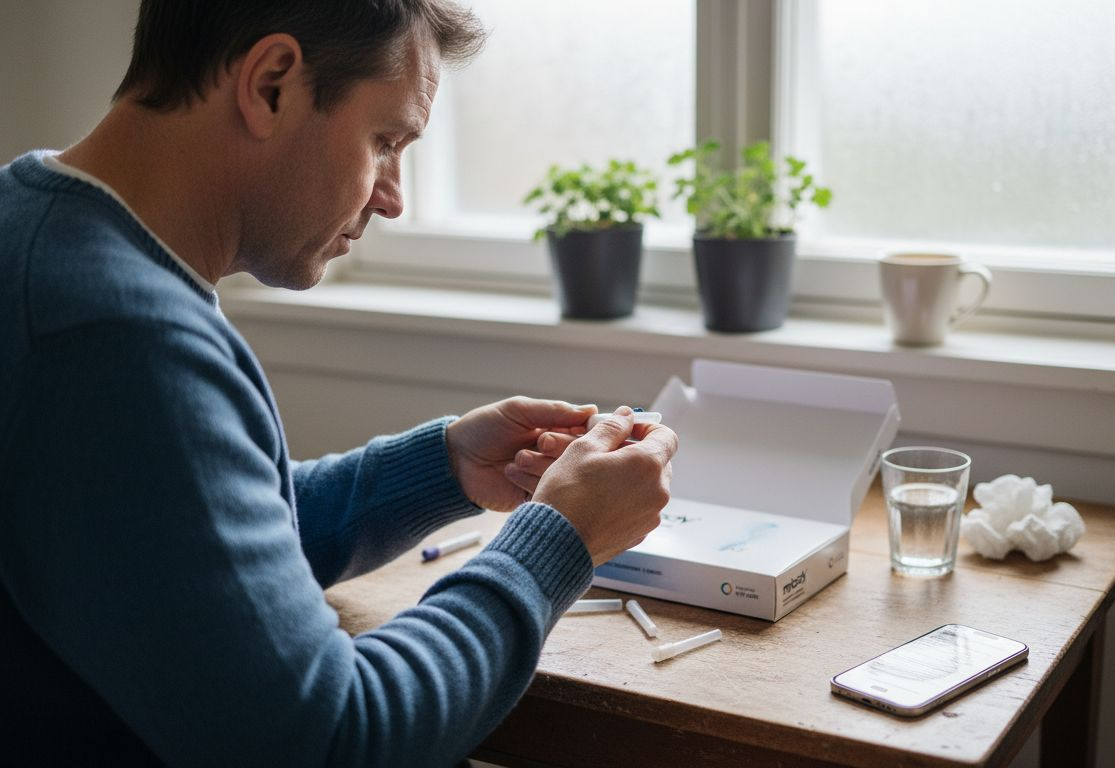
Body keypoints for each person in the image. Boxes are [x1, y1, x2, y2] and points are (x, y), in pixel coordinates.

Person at [0, 1, 678, 764]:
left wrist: (444, 465)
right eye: (385, 140)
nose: (393, 196)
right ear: (273, 85)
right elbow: (335, 739)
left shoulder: (34, 229)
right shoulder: (112, 340)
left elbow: (183, 554)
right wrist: (560, 539)